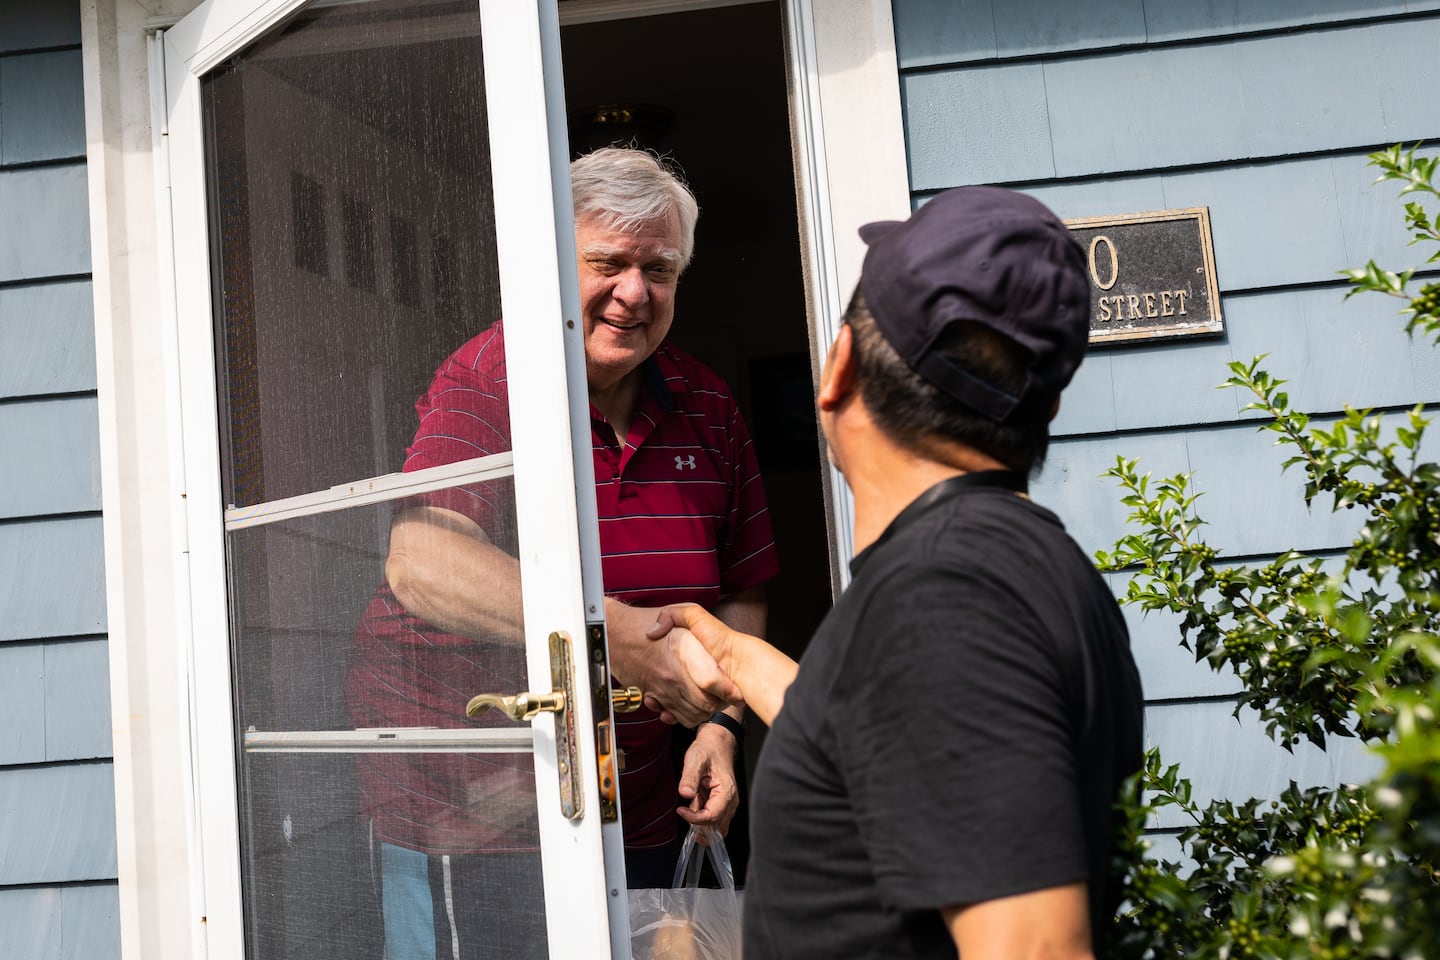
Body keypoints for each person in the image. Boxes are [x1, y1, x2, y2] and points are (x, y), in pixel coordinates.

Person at [647, 186, 1145, 960]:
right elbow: (887, 737)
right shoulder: (1004, 565)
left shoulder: (946, 599)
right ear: (1041, 408)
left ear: (838, 366)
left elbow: (1036, 950)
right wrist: (739, 662)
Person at [348, 147, 778, 958]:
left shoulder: (709, 405)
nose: (633, 292)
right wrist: (612, 640)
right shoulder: (491, 376)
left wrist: (720, 725)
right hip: (469, 799)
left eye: (659, 269)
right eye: (608, 263)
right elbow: (421, 561)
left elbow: (742, 586)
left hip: (648, 786)